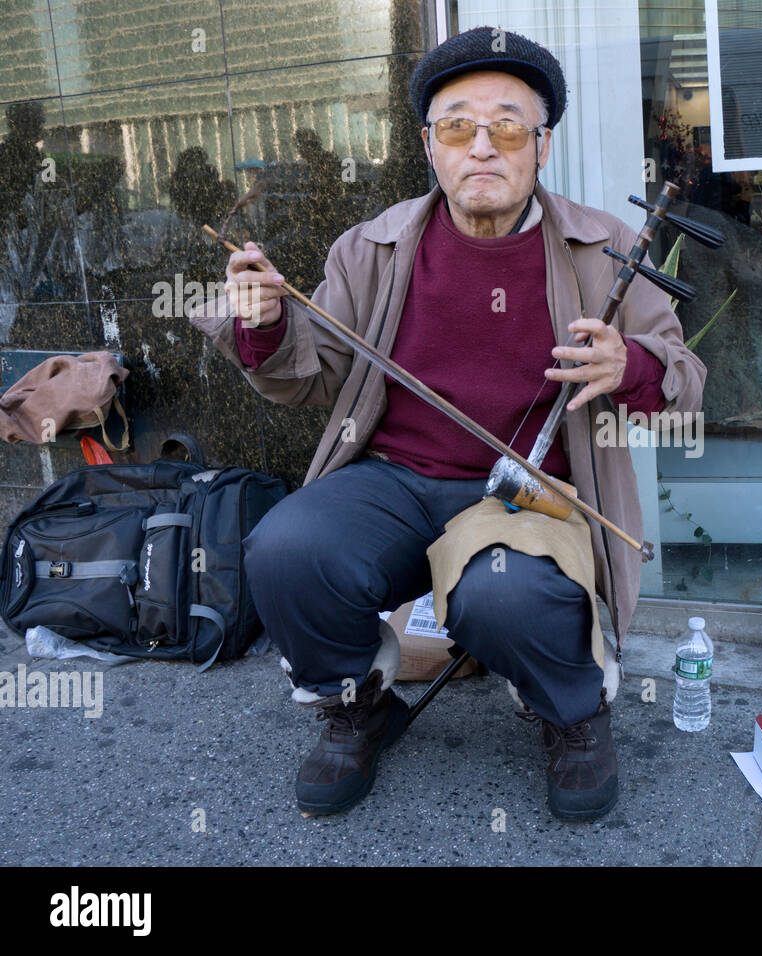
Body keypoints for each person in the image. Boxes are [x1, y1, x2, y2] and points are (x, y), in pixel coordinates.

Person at [187, 27, 705, 821]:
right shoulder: (376, 244)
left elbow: (685, 385)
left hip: (527, 495)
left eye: (508, 125)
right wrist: (262, 325)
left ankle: (573, 713)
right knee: (286, 546)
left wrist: (628, 367)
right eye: (459, 126)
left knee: (504, 596)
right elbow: (314, 376)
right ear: (430, 145)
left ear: (542, 144)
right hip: (394, 480)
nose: (483, 147)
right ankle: (358, 703)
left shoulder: (605, 247)